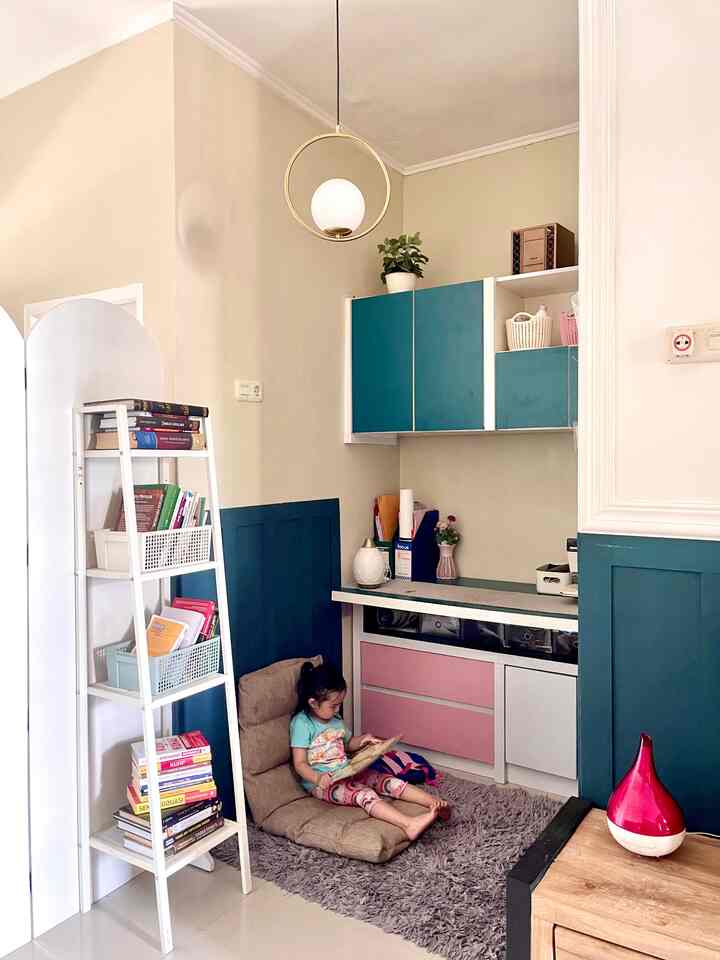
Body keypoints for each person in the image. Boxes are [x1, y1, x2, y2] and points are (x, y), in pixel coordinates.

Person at [290, 661, 450, 841]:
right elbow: (300, 763)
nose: (338, 709)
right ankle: (408, 824)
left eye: (340, 704)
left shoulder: (335, 719)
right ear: (313, 703)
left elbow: (348, 744)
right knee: (365, 794)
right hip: (323, 785)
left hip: (346, 771)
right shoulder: (302, 724)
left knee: (385, 780)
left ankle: (434, 804)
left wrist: (363, 740)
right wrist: (318, 779)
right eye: (334, 705)